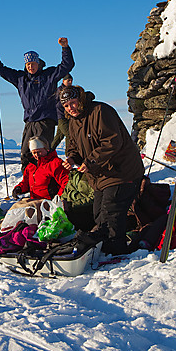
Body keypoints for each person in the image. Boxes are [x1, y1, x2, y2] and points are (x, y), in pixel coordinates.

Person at [61, 85, 145, 255]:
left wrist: (91, 161)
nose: (71, 108)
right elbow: (74, 148)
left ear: (81, 100)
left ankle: (117, 252)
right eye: (66, 105)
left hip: (121, 173)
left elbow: (112, 142)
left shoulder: (100, 111)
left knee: (110, 216)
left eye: (73, 102)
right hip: (100, 177)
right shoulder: (73, 123)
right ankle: (109, 247)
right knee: (99, 215)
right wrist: (72, 159)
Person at [0, 37, 74, 170]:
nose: (30, 66)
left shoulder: (49, 75)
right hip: (29, 121)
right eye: (28, 64)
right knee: (26, 154)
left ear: (38, 63)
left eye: (33, 63)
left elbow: (67, 65)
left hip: (45, 121)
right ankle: (28, 182)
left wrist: (65, 48)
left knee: (42, 154)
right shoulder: (21, 78)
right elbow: (1, 70)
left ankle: (45, 183)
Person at [11, 136, 69, 201]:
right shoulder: (31, 166)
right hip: (35, 201)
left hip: (50, 202)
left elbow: (66, 183)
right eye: (34, 153)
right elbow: (26, 182)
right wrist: (19, 188)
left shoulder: (55, 164)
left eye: (39, 151)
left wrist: (58, 199)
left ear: (46, 149)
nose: (36, 155)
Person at [50, 74, 73, 149]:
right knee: (69, 134)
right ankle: (68, 154)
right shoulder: (60, 91)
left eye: (71, 81)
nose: (70, 82)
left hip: (66, 117)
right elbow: (57, 103)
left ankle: (48, 152)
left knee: (58, 137)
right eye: (68, 80)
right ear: (63, 81)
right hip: (62, 117)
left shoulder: (70, 90)